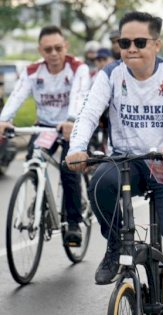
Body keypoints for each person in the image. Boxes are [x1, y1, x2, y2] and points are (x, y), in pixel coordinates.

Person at [65, 12, 163, 314]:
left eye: (140, 42)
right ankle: (114, 246)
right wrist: (77, 148)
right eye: (124, 42)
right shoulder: (111, 73)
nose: (131, 49)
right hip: (128, 160)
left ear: (156, 44)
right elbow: (88, 113)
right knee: (100, 182)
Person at [0, 25, 90, 246]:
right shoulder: (33, 71)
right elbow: (17, 95)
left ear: (65, 47)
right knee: (33, 160)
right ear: (40, 50)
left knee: (69, 169)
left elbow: (79, 95)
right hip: (44, 128)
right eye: (48, 49)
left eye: (58, 48)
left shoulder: (78, 68)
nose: (53, 54)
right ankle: (41, 194)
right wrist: (3, 119)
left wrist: (71, 120)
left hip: (71, 126)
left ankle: (74, 222)